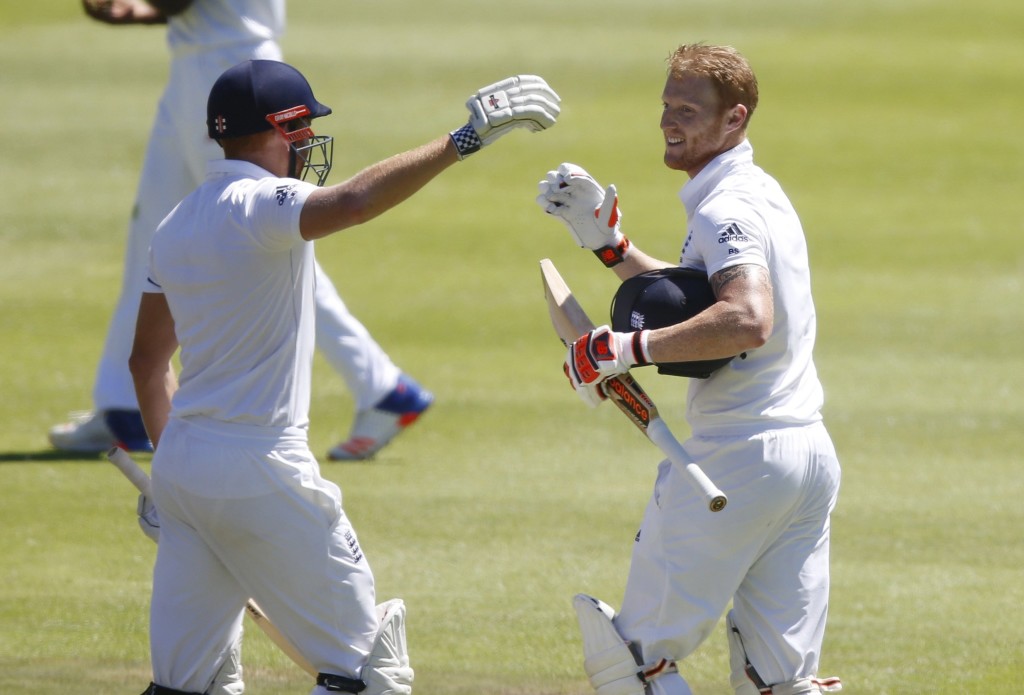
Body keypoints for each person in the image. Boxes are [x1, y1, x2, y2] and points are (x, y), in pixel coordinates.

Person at [128, 58, 558, 694]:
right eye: (303, 129)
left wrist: (171, 476)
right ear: (285, 127)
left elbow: (146, 362)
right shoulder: (261, 204)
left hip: (186, 466)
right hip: (263, 466)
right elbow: (353, 203)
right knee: (369, 674)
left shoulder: (176, 222)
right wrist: (462, 140)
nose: (308, 145)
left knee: (186, 686)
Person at [536, 44, 841, 695]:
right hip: (805, 457)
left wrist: (624, 351)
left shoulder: (724, 207)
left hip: (738, 455)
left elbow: (746, 318)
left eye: (689, 109)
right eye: (667, 105)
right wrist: (610, 247)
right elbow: (694, 295)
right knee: (780, 682)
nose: (671, 120)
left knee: (633, 663)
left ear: (735, 118)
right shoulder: (756, 191)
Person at [51, 0, 433, 461]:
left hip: (228, 64)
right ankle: (124, 406)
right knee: (153, 232)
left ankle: (379, 386)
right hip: (200, 57)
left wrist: (137, 9)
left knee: (260, 233)